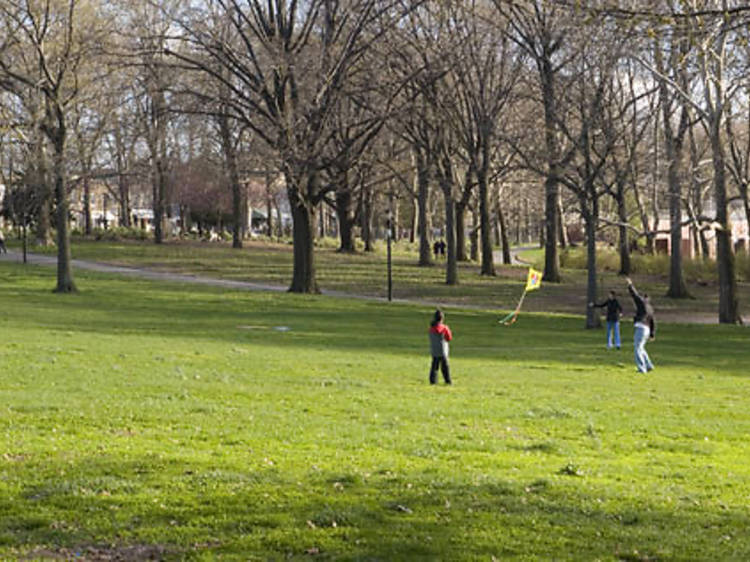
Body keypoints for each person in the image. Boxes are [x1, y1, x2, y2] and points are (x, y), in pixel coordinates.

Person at [626, 278, 656, 373]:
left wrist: (630, 285)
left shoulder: (641, 303)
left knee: (637, 348)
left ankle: (642, 368)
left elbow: (635, 295)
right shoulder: (650, 308)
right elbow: (652, 322)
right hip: (647, 330)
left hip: (641, 327)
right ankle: (649, 365)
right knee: (641, 347)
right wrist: (652, 334)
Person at [428, 308, 453, 385]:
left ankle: (433, 380)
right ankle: (447, 380)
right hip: (443, 350)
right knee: (445, 367)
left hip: (434, 350)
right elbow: (449, 338)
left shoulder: (431, 328)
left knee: (434, 367)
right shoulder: (444, 328)